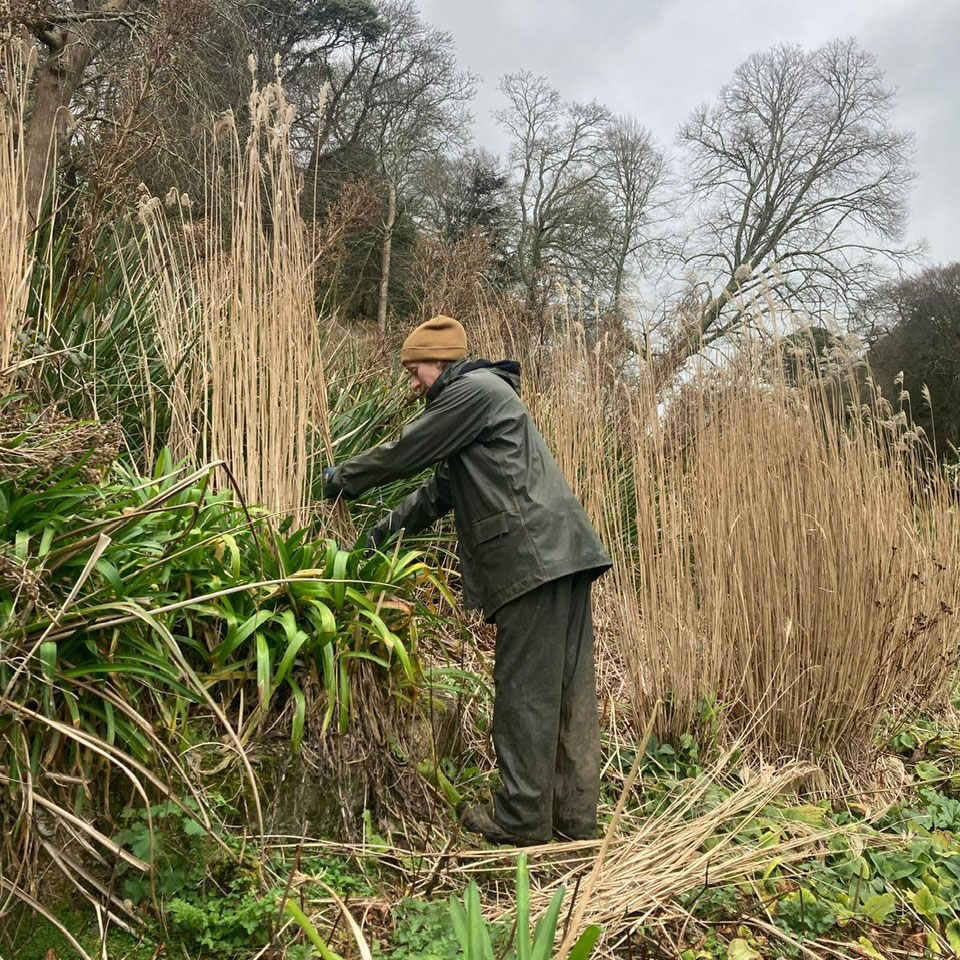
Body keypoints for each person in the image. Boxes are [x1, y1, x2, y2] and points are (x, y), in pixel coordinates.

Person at [322, 315, 611, 845]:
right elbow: (438, 492)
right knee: (568, 692)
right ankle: (573, 821)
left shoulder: (473, 390)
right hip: (561, 552)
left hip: (533, 559)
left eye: (416, 370)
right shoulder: (482, 406)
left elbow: (409, 451)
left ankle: (521, 820)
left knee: (524, 693)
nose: (412, 384)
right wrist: (374, 539)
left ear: (442, 362)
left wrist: (343, 479)